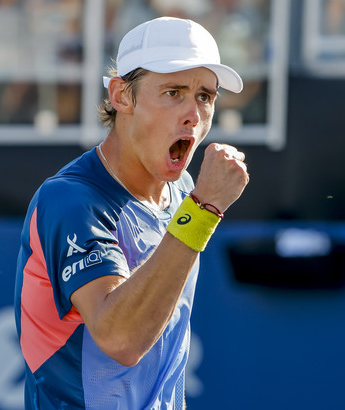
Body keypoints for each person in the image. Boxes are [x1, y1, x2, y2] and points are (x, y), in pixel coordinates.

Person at [14, 16, 249, 409]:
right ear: (122, 96)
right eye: (173, 92)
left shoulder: (184, 193)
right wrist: (204, 211)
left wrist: (197, 208)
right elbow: (121, 339)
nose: (194, 113)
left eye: (205, 96)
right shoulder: (70, 200)